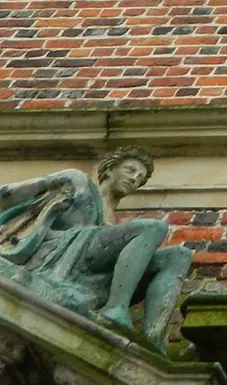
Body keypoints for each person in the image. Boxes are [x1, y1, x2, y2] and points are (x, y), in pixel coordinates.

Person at [0, 146, 192, 348]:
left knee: (178, 255)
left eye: (140, 177)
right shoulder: (78, 182)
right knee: (154, 228)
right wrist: (49, 182)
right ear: (110, 170)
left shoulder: (111, 222)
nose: (135, 179)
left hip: (89, 267)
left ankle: (154, 340)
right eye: (130, 170)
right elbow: (6, 194)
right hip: (60, 254)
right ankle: (116, 309)